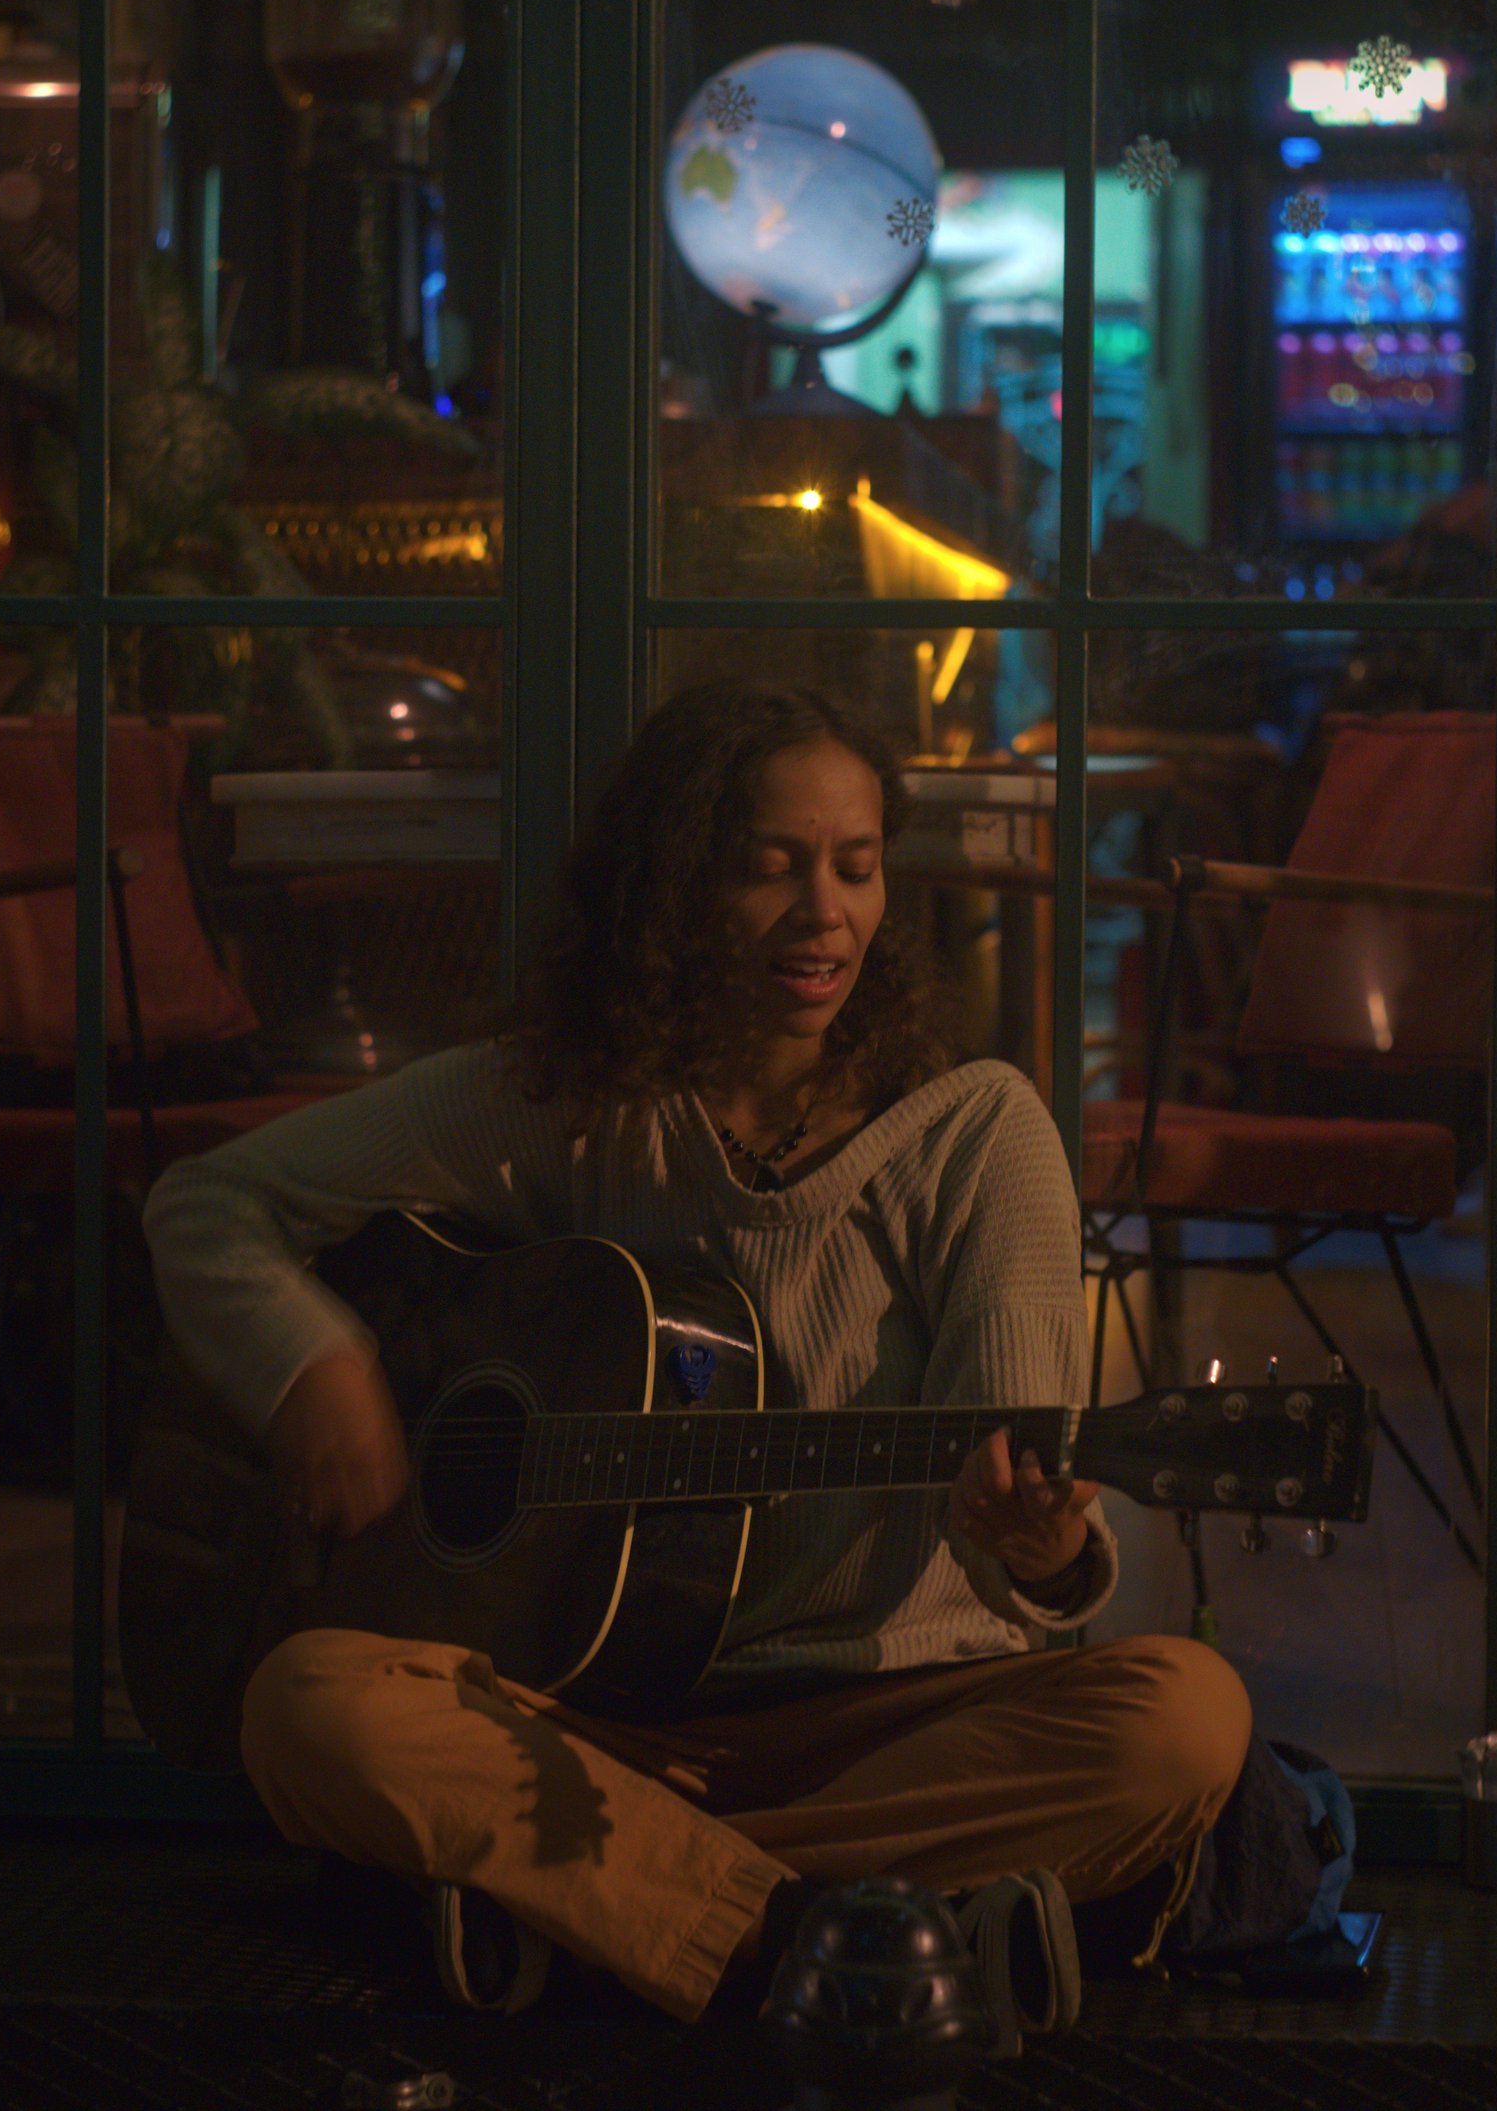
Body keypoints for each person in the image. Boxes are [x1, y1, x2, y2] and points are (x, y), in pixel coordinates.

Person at [142, 683, 1252, 2028]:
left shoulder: (973, 1135)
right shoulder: (563, 1107)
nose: (824, 915)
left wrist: (1041, 1547)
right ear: (671, 889)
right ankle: (837, 1941)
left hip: (886, 1730)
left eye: (856, 867)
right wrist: (315, 1366)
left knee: (1183, 1718)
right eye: (769, 868)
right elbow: (208, 1204)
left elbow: (1020, 1529)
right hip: (588, 1725)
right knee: (307, 1707)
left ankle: (643, 1919)